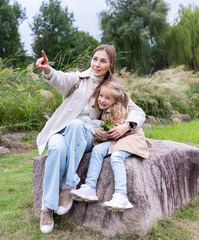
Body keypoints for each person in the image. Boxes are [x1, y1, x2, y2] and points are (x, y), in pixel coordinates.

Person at [35, 44, 146, 234]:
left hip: (86, 135)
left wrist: (128, 125)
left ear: (110, 65)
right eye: (95, 59)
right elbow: (59, 78)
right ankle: (47, 208)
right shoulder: (78, 79)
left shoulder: (111, 89)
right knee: (56, 150)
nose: (97, 64)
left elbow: (137, 111)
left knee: (77, 125)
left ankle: (67, 185)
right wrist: (47, 70)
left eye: (103, 61)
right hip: (62, 131)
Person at [69, 81, 151, 211]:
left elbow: (113, 132)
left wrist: (96, 131)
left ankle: (121, 196)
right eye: (101, 96)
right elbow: (110, 133)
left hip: (131, 138)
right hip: (117, 140)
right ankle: (90, 187)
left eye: (107, 98)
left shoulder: (118, 109)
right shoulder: (106, 110)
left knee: (116, 156)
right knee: (97, 149)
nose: (102, 100)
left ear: (116, 100)